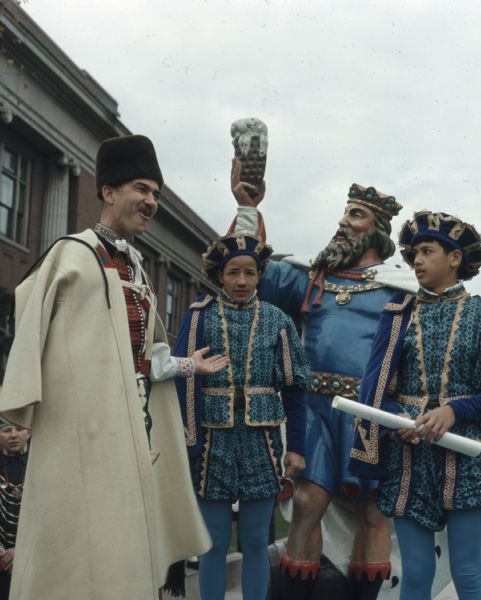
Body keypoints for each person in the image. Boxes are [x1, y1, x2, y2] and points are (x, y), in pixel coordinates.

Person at [0, 135, 224, 600]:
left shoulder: (135, 269)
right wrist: (19, 408)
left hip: (130, 433)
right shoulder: (72, 255)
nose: (150, 202)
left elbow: (140, 358)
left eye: (157, 194)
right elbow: (28, 319)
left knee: (120, 549)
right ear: (108, 191)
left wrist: (187, 366)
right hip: (77, 432)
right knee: (74, 552)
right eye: (142, 189)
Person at [229, 160, 417, 599]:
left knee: (373, 514)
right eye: (344, 212)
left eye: (355, 215)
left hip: (371, 415)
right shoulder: (311, 276)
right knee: (307, 505)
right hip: (315, 410)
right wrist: (246, 209)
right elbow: (244, 268)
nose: (341, 222)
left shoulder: (403, 290)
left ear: (376, 231)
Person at [349, 210, 481, 599]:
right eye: (413, 252)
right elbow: (376, 386)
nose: (416, 260)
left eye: (427, 251)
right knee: (415, 572)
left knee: (466, 570)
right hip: (410, 457)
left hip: (466, 456)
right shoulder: (398, 315)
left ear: (454, 258)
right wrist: (394, 417)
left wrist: (454, 411)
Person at [173, 232, 310, 600]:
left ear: (259, 275)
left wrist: (296, 446)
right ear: (220, 275)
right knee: (214, 542)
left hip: (261, 440)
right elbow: (181, 379)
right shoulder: (199, 316)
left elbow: (296, 389)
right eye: (233, 272)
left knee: (254, 540)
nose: (241, 281)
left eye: (250, 273)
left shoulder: (278, 321)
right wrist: (187, 441)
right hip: (211, 441)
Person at [0, 422, 30, 600]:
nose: (13, 435)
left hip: (33, 555)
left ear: (30, 432)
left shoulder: (40, 465)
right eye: (6, 430)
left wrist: (21, 550)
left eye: (19, 429)